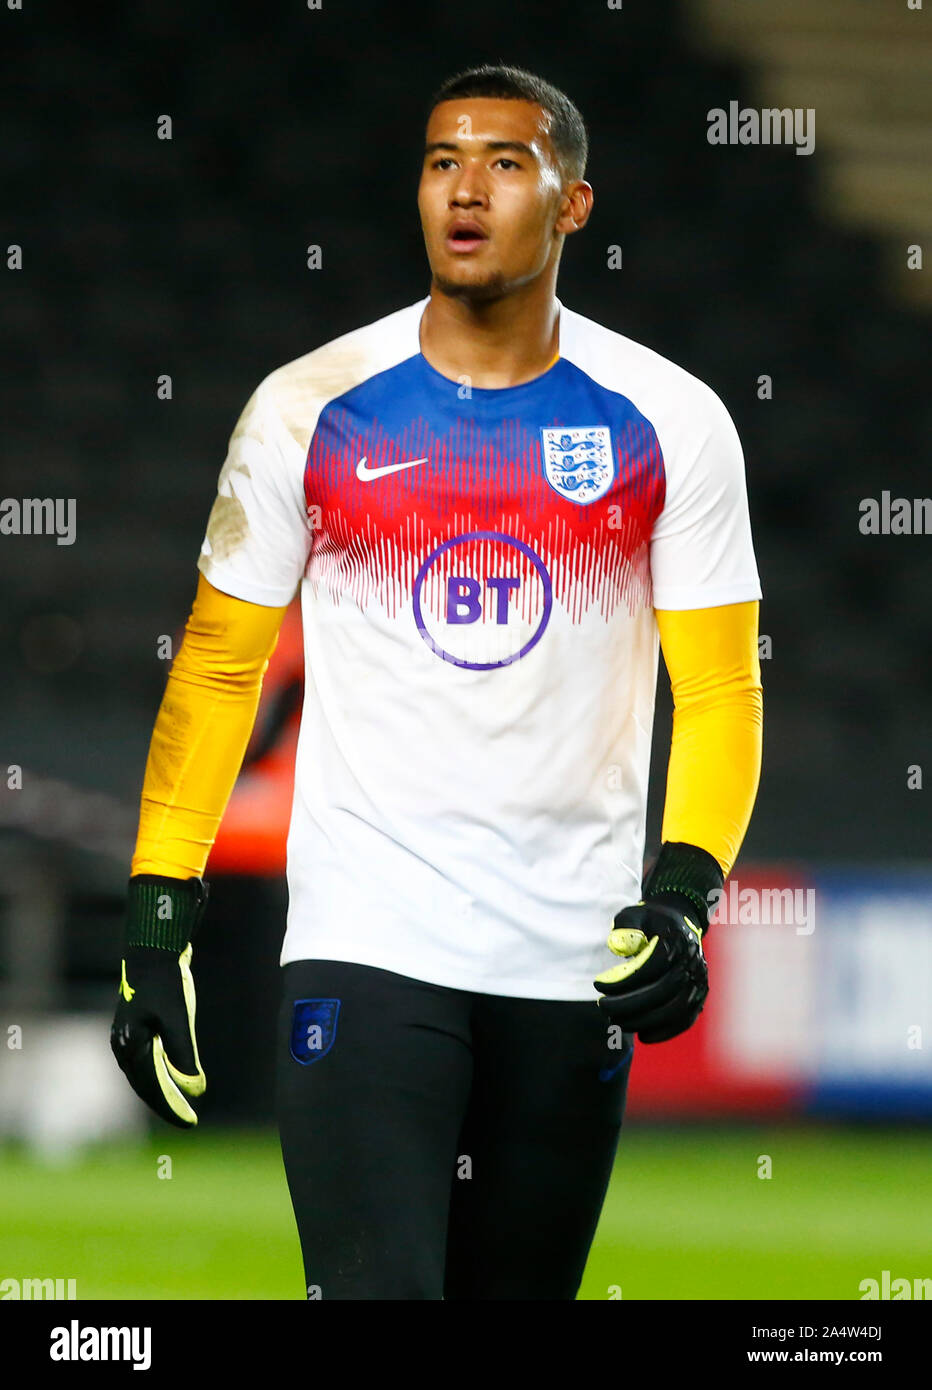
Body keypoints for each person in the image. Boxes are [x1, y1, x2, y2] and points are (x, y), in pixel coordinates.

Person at [111, 64, 763, 1300]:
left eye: (505, 163)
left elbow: (722, 691)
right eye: (440, 159)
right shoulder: (306, 410)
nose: (465, 190)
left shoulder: (670, 421)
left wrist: (681, 896)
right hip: (367, 940)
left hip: (572, 961)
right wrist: (158, 916)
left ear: (572, 205)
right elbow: (215, 666)